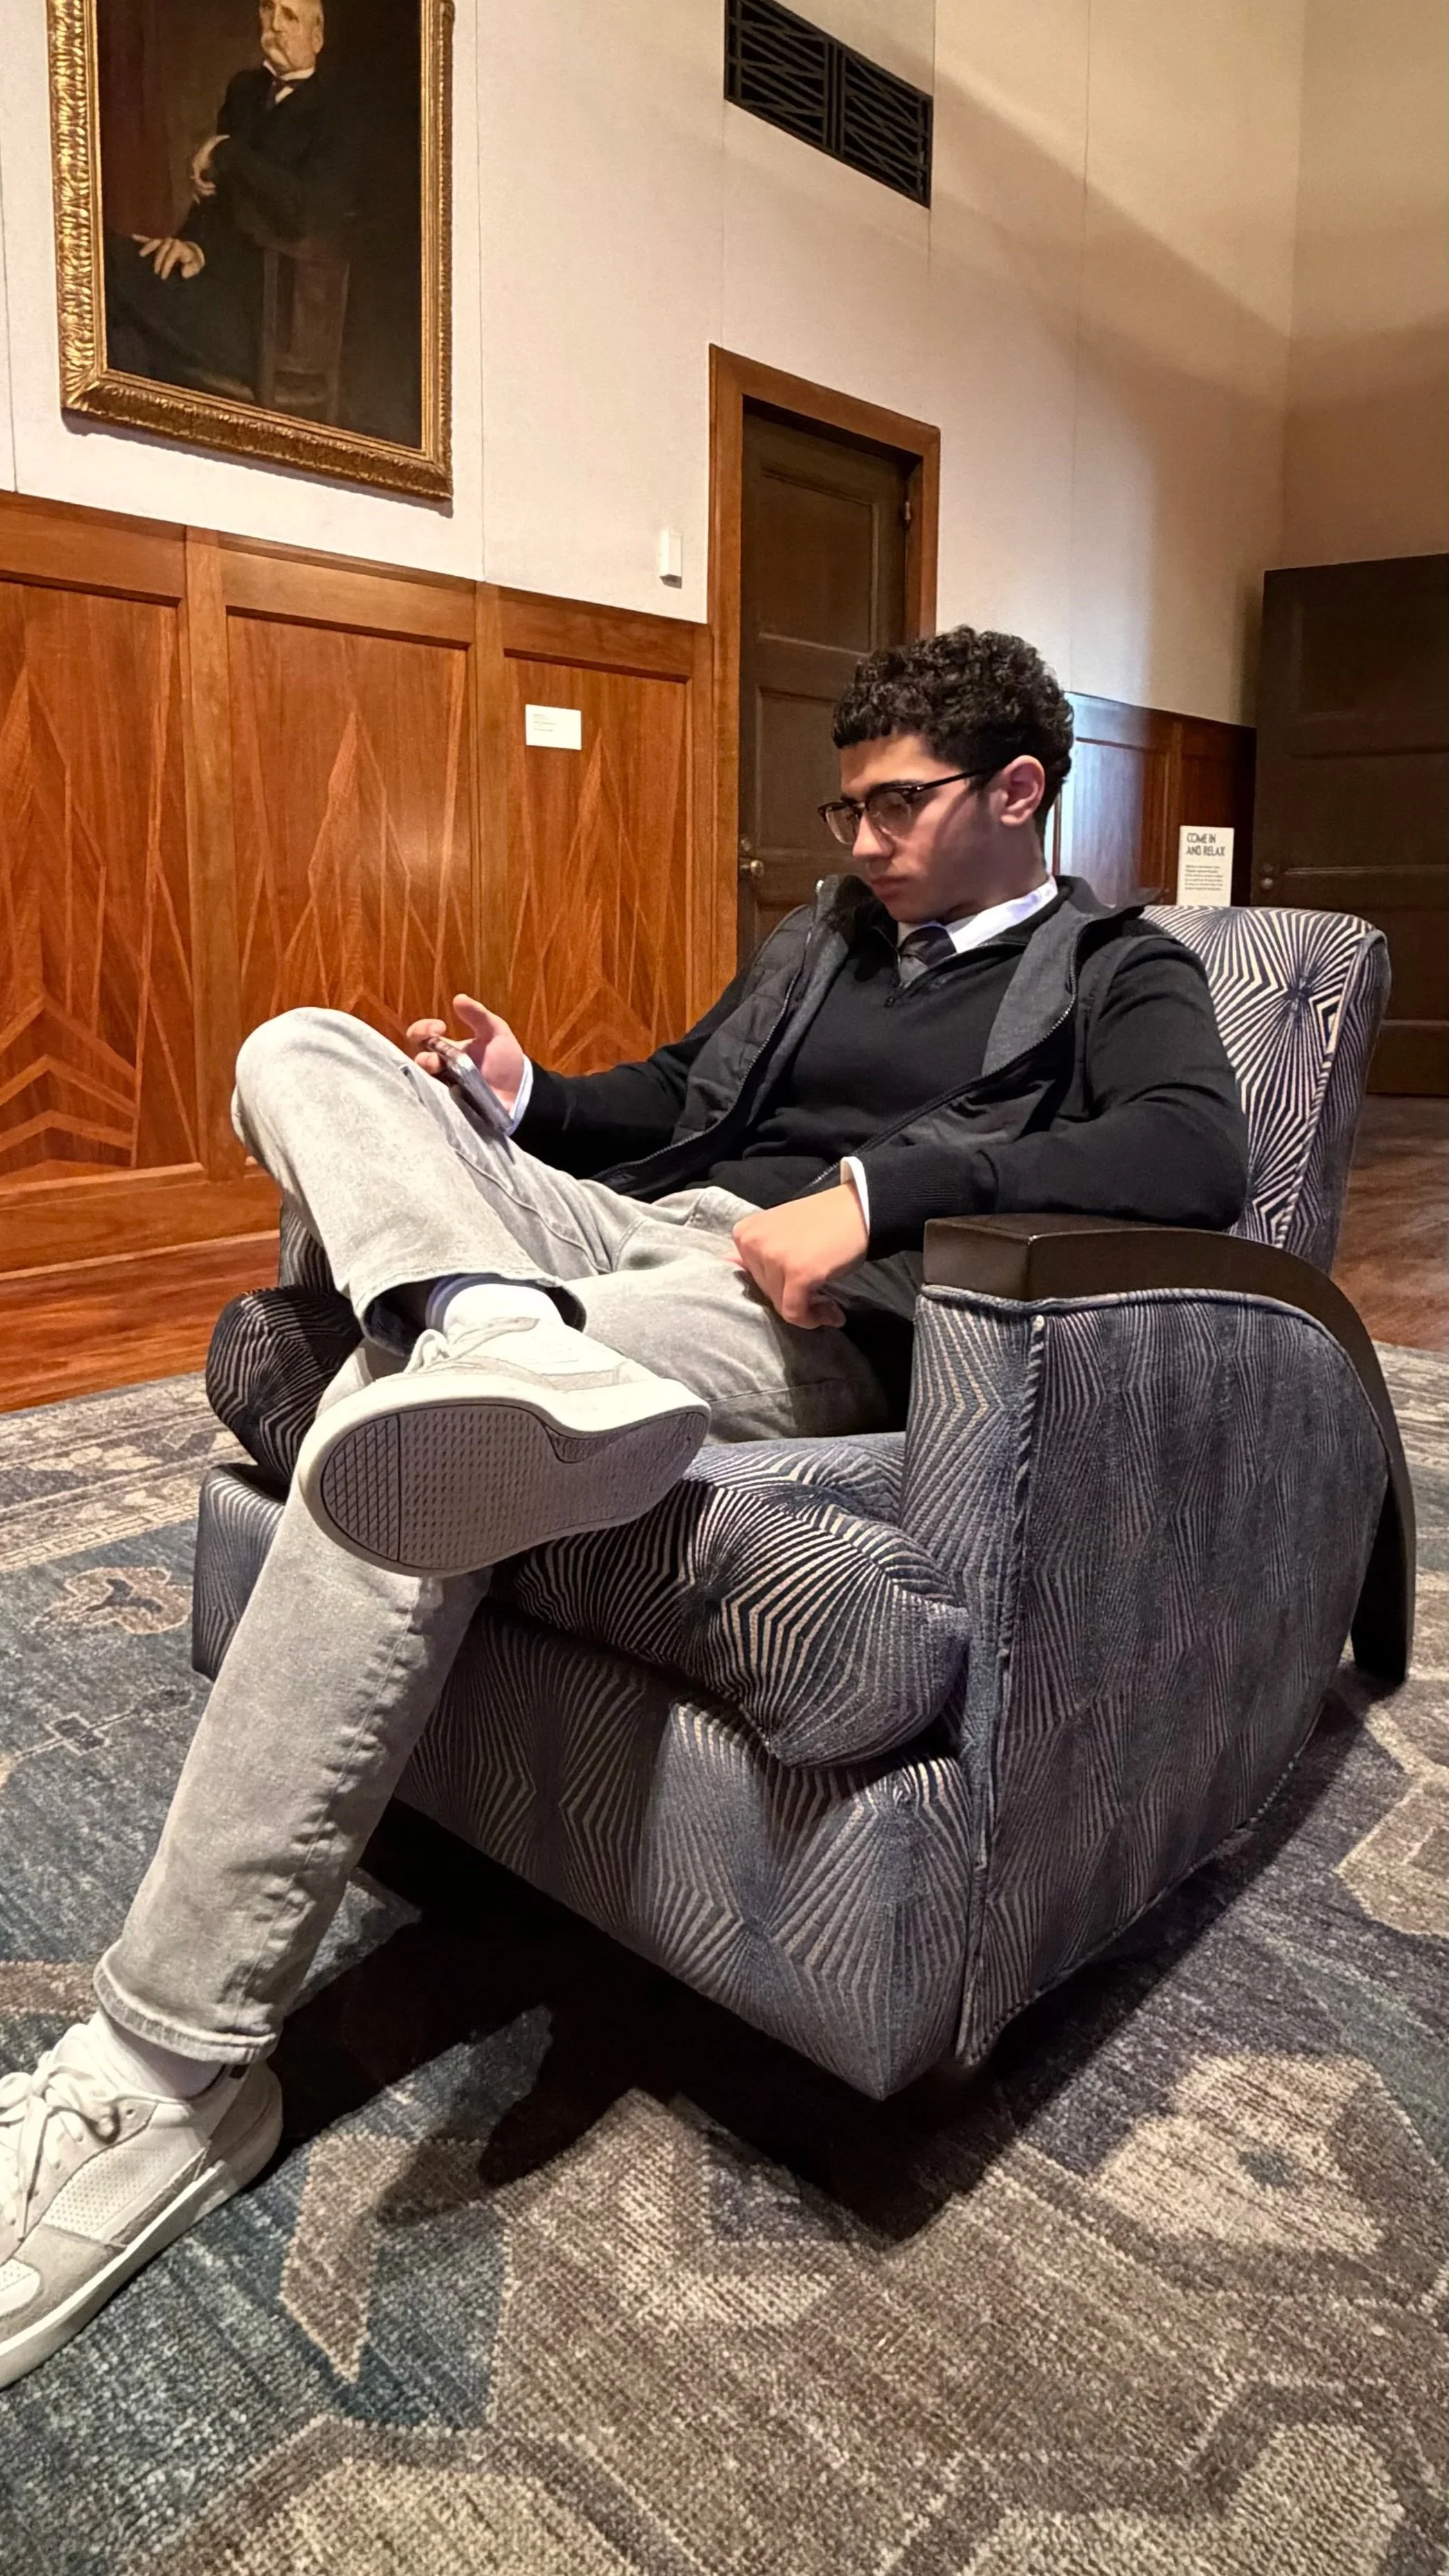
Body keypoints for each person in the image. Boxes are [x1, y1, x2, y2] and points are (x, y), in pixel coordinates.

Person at [0, 626, 1248, 2384]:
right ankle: (494, 1325)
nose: (858, 840)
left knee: (398, 1399)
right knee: (304, 1045)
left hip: (791, 1305)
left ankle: (164, 2070)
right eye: (848, 803)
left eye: (892, 805)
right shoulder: (824, 938)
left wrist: (887, 1189)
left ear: (1018, 791)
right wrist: (525, 1101)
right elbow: (666, 1101)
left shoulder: (1116, 966)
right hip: (622, 1243)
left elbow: (1200, 1154)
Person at [103, 0, 355, 399]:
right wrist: (191, 244)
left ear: (318, 36)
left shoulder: (336, 110)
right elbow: (218, 201)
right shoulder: (245, 90)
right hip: (208, 292)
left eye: (290, 16)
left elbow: (301, 212)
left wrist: (226, 149)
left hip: (268, 323)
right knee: (119, 331)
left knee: (104, 267)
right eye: (267, 9)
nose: (274, 24)